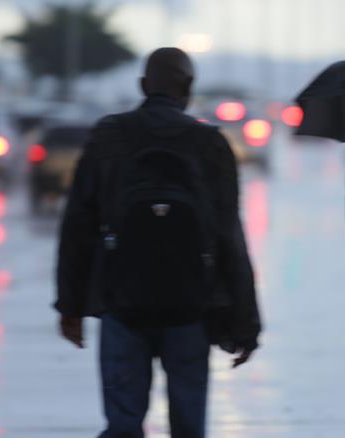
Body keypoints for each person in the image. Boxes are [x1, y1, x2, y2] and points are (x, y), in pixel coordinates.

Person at [55, 47, 261, 438]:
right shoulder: (209, 144)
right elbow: (229, 237)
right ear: (188, 88)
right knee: (188, 427)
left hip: (121, 303)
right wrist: (245, 324)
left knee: (123, 425)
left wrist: (70, 306)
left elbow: (77, 226)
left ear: (143, 86)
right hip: (190, 308)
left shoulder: (109, 137)